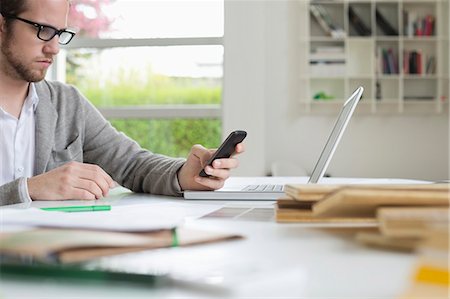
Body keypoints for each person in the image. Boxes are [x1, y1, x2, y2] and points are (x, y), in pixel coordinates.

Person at [0, 0, 244, 206]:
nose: (54, 48)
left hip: (45, 259)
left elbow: (131, 163)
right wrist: (28, 189)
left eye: (60, 34)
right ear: (2, 25)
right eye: (41, 29)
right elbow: (30, 190)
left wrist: (184, 175)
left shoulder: (67, 103)